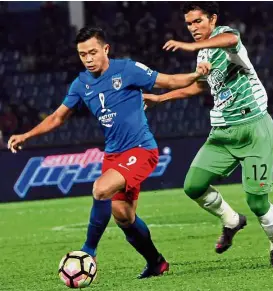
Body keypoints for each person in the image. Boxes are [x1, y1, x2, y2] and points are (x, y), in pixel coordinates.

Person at [7, 26, 211, 278]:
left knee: (100, 189)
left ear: (105, 49)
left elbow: (167, 80)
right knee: (124, 218)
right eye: (83, 55)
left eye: (93, 52)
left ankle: (88, 251)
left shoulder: (127, 69)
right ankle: (156, 262)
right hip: (113, 155)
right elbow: (58, 117)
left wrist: (195, 74)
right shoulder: (80, 84)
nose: (88, 59)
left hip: (141, 149)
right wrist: (27, 135)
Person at [143, 2, 273, 268]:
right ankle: (232, 220)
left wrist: (192, 45)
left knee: (257, 202)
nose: (193, 28)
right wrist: (160, 99)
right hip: (222, 132)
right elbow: (198, 87)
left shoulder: (227, 38)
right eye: (189, 23)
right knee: (193, 186)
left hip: (254, 129)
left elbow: (231, 38)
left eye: (198, 21)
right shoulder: (203, 56)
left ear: (213, 19)